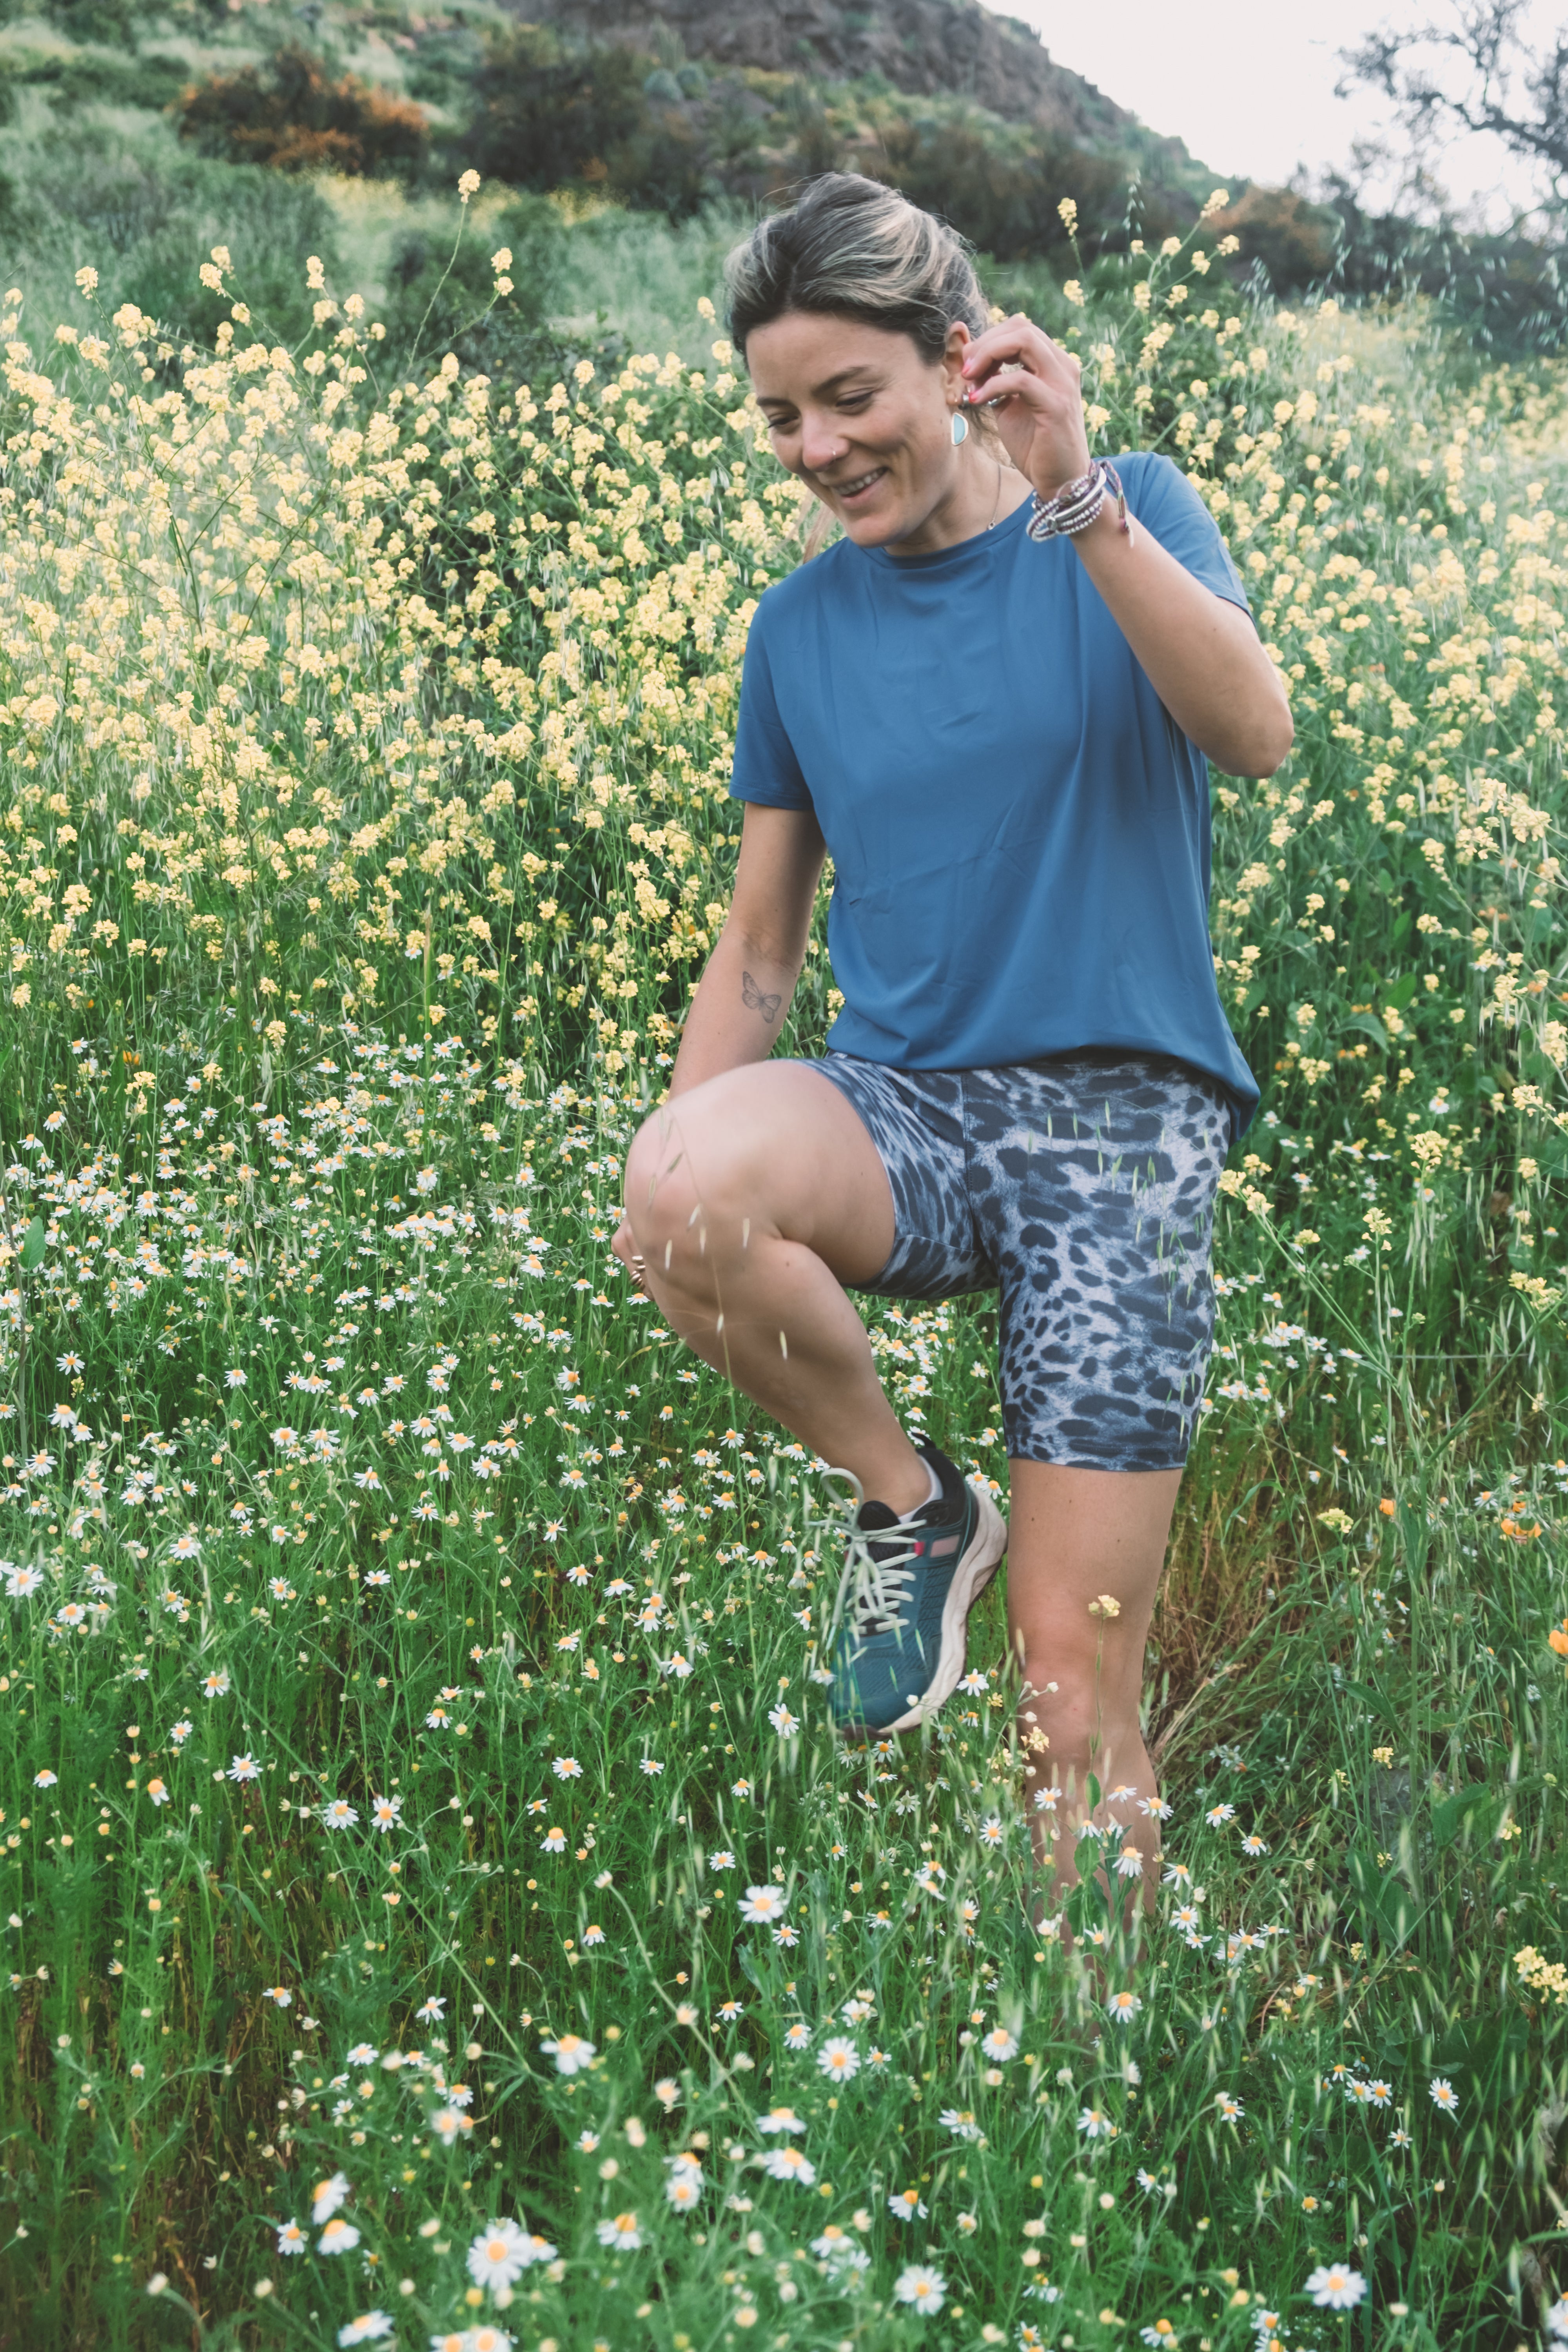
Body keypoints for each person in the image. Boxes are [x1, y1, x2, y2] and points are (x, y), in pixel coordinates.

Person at [612, 172, 1292, 1906]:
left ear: (962, 360)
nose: (817, 448)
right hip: (903, 1110)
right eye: (778, 415)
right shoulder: (798, 629)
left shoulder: (1120, 511)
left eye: (852, 398)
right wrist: (678, 1214)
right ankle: (918, 1512)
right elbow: (762, 945)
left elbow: (1255, 733)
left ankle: (1100, 2078)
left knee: (1071, 1688)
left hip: (1121, 1137)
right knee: (681, 1183)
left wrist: (1073, 493)